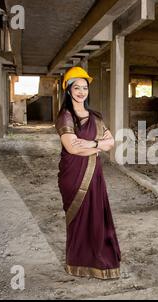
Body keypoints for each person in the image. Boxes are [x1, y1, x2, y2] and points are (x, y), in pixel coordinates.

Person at [54, 66, 121, 280]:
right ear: (69, 90)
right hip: (73, 175)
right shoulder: (65, 116)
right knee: (80, 219)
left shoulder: (95, 117)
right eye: (77, 87)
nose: (82, 92)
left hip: (94, 175)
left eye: (85, 87)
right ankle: (78, 262)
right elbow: (72, 148)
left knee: (97, 217)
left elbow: (111, 142)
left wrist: (92, 143)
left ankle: (99, 260)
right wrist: (98, 147)